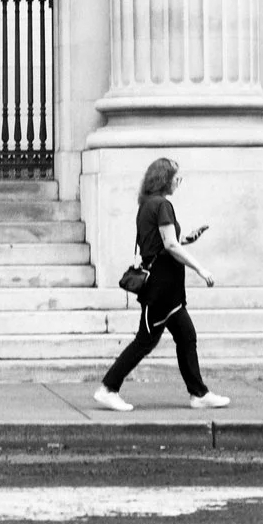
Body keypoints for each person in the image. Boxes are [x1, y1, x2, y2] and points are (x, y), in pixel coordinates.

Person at [94, 157, 231, 413]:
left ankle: (198, 393)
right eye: (177, 178)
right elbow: (169, 246)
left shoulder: (147, 205)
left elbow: (165, 243)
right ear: (165, 179)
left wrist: (185, 240)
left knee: (186, 337)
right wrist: (200, 269)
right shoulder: (163, 205)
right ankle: (108, 388)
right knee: (145, 341)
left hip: (165, 288)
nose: (179, 182)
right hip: (161, 288)